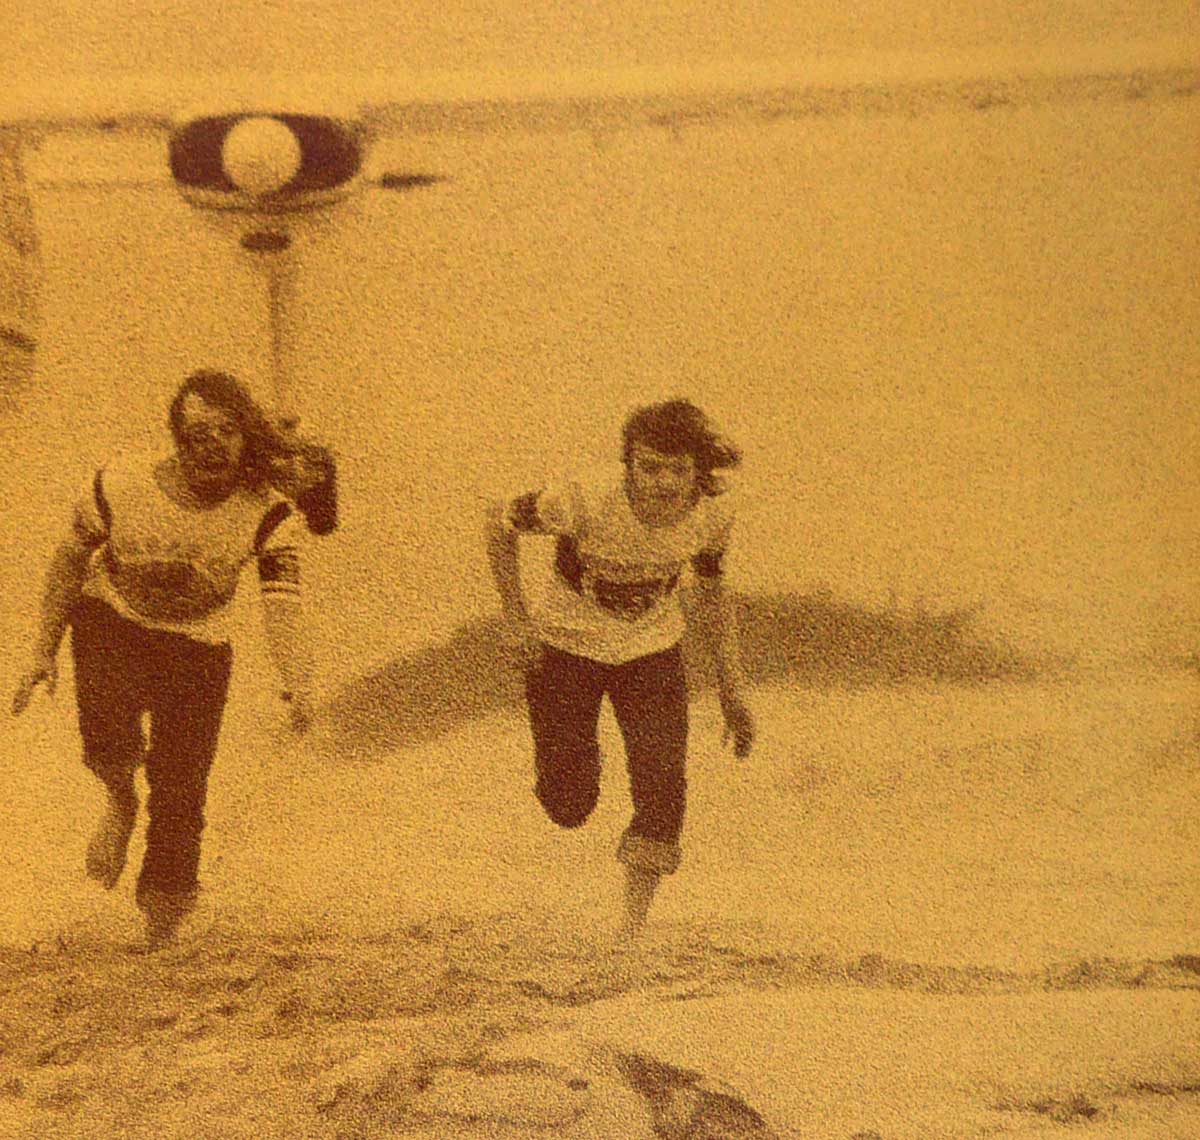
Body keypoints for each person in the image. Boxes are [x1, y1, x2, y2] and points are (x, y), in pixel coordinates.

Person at [11, 369, 315, 950]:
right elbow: (70, 558)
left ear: (246, 440)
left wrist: (297, 682)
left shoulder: (269, 514)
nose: (212, 444)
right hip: (113, 620)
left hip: (199, 646)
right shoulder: (124, 482)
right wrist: (42, 651)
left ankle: (163, 917)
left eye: (226, 431)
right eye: (198, 432)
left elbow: (282, 606)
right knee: (111, 746)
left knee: (181, 789)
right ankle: (120, 802)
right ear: (178, 439)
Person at [485, 397, 755, 945]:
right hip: (566, 645)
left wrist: (732, 691)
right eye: (649, 467)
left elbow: (712, 596)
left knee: (664, 788)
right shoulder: (583, 497)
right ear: (627, 464)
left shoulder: (712, 516)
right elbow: (499, 520)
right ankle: (563, 778)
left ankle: (628, 932)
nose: (662, 483)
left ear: (698, 472)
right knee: (570, 804)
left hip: (651, 650)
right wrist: (515, 620)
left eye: (677, 470)